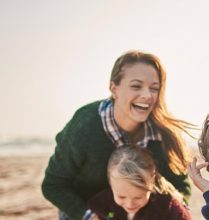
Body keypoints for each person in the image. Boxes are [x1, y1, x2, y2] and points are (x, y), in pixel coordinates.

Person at [42, 51, 193, 220]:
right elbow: (53, 185)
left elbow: (180, 186)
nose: (147, 95)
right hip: (86, 210)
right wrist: (88, 216)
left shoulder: (163, 132)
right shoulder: (85, 125)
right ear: (114, 89)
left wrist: (175, 212)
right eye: (136, 86)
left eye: (154, 88)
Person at [87, 146, 192, 220]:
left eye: (138, 197)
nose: (130, 204)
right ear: (110, 183)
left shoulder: (170, 210)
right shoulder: (101, 205)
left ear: (152, 182)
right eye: (121, 197)